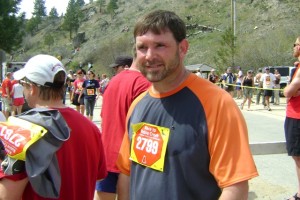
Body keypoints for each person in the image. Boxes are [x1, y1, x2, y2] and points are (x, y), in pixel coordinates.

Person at [116, 10, 258, 200]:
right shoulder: (138, 105)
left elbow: (235, 187)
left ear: (183, 48)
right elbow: (127, 173)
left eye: (160, 45)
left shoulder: (217, 103)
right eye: (142, 47)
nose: (149, 56)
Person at [0, 54, 107, 199]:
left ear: (31, 88)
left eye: (23, 83)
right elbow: (99, 177)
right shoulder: (91, 128)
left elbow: (7, 195)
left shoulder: (22, 130)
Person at [95, 57, 151, 200]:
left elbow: (104, 116)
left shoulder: (113, 81)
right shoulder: (144, 84)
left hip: (107, 154)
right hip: (130, 160)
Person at [283, 36, 300, 200]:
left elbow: (288, 92)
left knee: (298, 156)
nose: (293, 47)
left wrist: (288, 91)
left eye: (295, 44)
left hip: (296, 116)